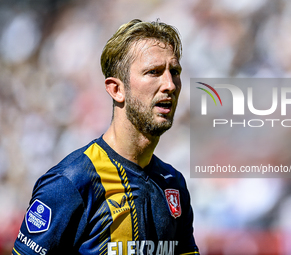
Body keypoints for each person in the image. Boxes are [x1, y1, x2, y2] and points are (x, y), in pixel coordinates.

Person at [12, 19, 199, 255]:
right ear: (116, 89)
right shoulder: (71, 182)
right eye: (154, 72)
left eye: (175, 72)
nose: (170, 85)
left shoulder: (173, 183)